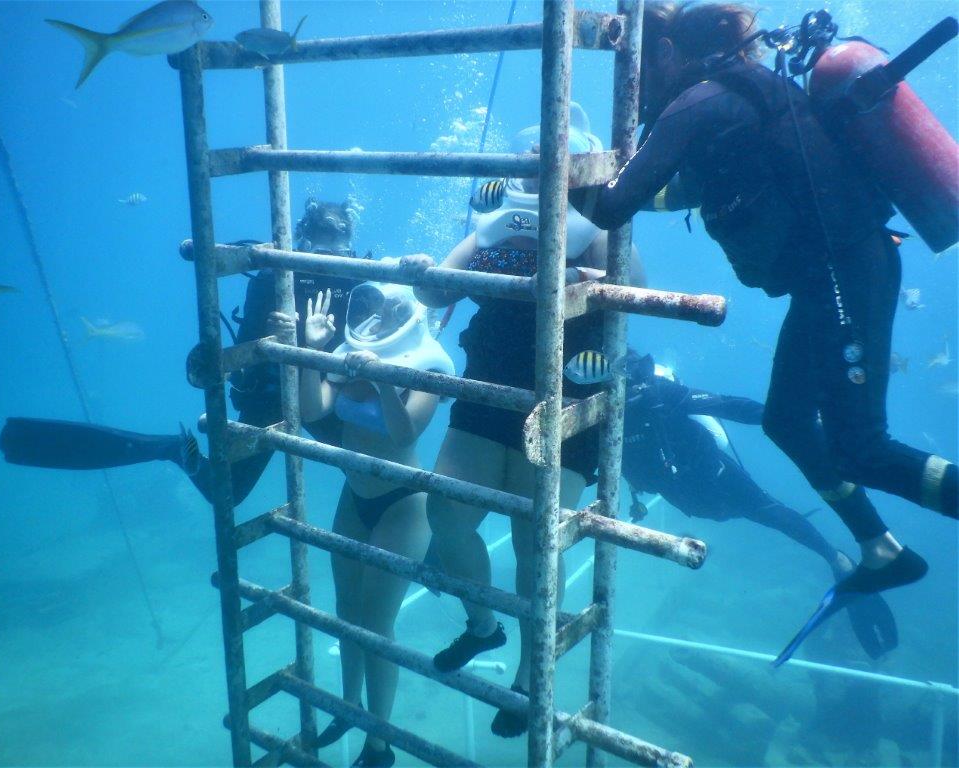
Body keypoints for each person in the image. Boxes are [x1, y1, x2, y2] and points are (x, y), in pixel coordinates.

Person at [568, 1, 956, 663]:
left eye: (641, 62)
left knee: (859, 447)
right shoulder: (743, 98)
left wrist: (553, 173)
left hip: (842, 273)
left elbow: (609, 205)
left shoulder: (697, 105)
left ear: (667, 53)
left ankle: (883, 543)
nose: (636, 86)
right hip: (837, 274)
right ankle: (880, 549)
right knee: (783, 421)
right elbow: (686, 188)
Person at [399, 104, 647, 737]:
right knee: (446, 515)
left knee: (538, 538)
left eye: (553, 169)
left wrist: (589, 234)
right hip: (485, 392)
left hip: (566, 397)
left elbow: (638, 290)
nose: (540, 181)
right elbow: (433, 293)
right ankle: (484, 627)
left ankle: (531, 676)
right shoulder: (495, 222)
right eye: (531, 169)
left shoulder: (597, 220)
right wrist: (484, 232)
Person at [0, 197, 367, 506]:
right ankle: (175, 449)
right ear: (302, 243)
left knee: (367, 461)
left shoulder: (359, 278)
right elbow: (240, 355)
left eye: (340, 253)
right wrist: (268, 338)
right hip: (269, 392)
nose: (327, 265)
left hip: (324, 389)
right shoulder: (274, 277)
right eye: (318, 253)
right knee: (228, 493)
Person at [622, 351, 897, 660]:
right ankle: (836, 559)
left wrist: (795, 419)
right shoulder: (602, 409)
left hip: (714, 480)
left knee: (769, 512)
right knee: (766, 511)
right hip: (695, 495)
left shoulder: (658, 392)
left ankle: (836, 559)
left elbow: (726, 405)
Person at [296, 268, 454, 768]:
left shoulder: (430, 363)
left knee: (377, 625)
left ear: (413, 312)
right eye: (375, 309)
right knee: (347, 612)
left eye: (394, 309)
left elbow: (405, 435)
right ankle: (350, 708)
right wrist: (311, 348)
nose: (381, 318)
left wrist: (387, 385)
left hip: (402, 502)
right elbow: (311, 408)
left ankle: (379, 744)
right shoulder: (347, 355)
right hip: (353, 495)